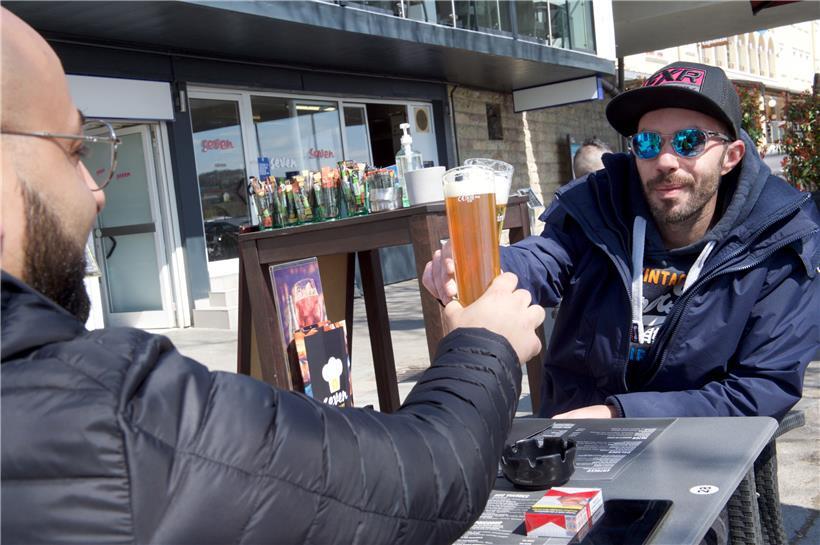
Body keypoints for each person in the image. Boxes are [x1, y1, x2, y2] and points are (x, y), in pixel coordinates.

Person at [0, 10, 545, 544]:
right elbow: (423, 478)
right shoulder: (105, 424)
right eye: (74, 150)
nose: (96, 191)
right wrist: (485, 344)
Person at [425, 61, 820, 421]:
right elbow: (542, 260)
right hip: (573, 445)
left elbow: (762, 388)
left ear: (731, 156)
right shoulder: (599, 203)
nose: (665, 160)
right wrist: (486, 265)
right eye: (648, 143)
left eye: (688, 142)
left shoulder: (779, 241)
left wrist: (620, 414)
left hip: (698, 451)